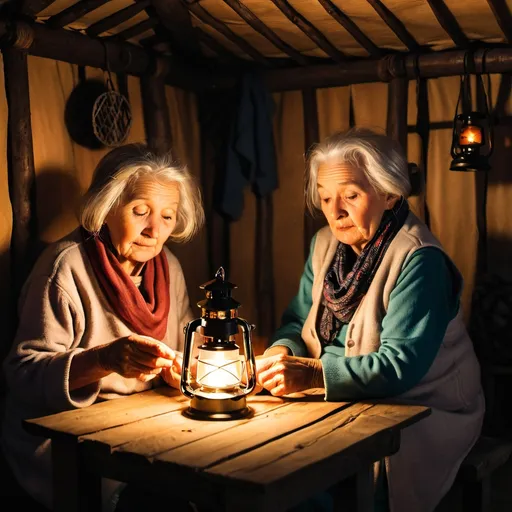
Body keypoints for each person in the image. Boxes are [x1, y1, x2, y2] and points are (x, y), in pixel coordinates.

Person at [256, 128, 485, 512]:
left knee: (338, 490)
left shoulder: (419, 259)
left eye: (351, 195)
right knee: (271, 467)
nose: (335, 211)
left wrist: (312, 374)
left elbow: (400, 367)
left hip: (419, 408)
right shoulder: (325, 244)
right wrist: (281, 353)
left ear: (390, 193)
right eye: (326, 198)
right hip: (338, 399)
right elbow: (298, 320)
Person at [0, 143, 205, 511]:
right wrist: (104, 360)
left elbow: (187, 344)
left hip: (141, 427)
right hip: (66, 441)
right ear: (106, 207)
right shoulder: (65, 267)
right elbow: (22, 372)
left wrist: (182, 371)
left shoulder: (168, 267)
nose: (154, 230)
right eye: (140, 211)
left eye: (168, 216)